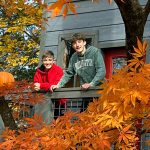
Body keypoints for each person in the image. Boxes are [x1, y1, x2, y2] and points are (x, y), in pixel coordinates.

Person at [51, 33, 106, 112]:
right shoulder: (74, 58)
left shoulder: (94, 52)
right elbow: (68, 73)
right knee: (84, 117)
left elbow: (101, 71)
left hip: (100, 90)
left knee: (100, 118)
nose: (77, 45)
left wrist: (91, 84)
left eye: (79, 42)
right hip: (86, 92)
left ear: (84, 42)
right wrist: (58, 85)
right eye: (74, 43)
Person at [33, 50, 67, 122]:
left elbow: (55, 84)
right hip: (44, 101)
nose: (47, 62)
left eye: (50, 60)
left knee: (59, 123)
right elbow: (36, 84)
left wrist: (41, 86)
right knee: (44, 122)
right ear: (42, 61)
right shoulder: (38, 72)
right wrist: (39, 86)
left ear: (53, 60)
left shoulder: (58, 70)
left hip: (58, 101)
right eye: (45, 60)